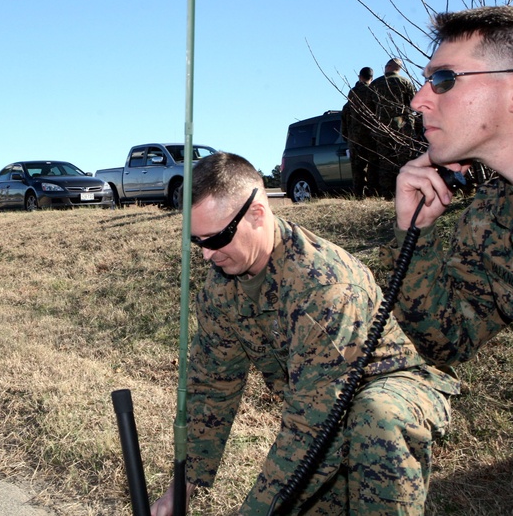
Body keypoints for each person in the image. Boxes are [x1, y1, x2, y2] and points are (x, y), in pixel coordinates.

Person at [151, 152, 458, 516]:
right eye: (196, 241)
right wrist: (183, 487)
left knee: (376, 416)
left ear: (257, 215)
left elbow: (312, 425)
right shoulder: (223, 284)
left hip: (393, 394)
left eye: (216, 238)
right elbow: (212, 384)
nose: (205, 255)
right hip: (322, 406)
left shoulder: (323, 286)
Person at [389, 5, 513, 506]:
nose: (418, 99)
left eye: (444, 79)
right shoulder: (491, 219)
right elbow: (445, 340)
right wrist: (416, 235)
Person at [370, 58, 420, 197]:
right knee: (406, 159)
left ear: (389, 66)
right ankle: (409, 192)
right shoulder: (405, 82)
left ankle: (388, 193)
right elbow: (414, 103)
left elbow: (369, 107)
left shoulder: (376, 84)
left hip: (382, 127)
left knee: (385, 160)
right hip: (403, 126)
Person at [341, 66, 378, 198]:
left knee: (357, 169)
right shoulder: (373, 92)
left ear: (359, 76)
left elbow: (345, 114)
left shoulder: (352, 93)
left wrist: (346, 135)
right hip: (371, 136)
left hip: (355, 137)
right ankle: (373, 194)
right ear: (371, 78)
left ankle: (358, 195)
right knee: (372, 166)